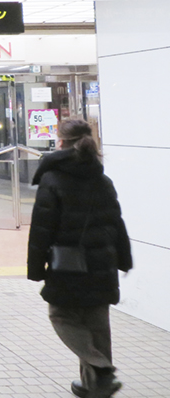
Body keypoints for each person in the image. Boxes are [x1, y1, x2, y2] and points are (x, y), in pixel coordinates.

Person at [27, 119, 132, 398]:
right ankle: (95, 386)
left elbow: (42, 229)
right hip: (102, 262)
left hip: (68, 263)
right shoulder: (102, 179)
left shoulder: (52, 179)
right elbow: (116, 222)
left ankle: (99, 368)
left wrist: (36, 269)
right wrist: (124, 259)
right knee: (97, 323)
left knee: (61, 314)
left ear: (61, 142)